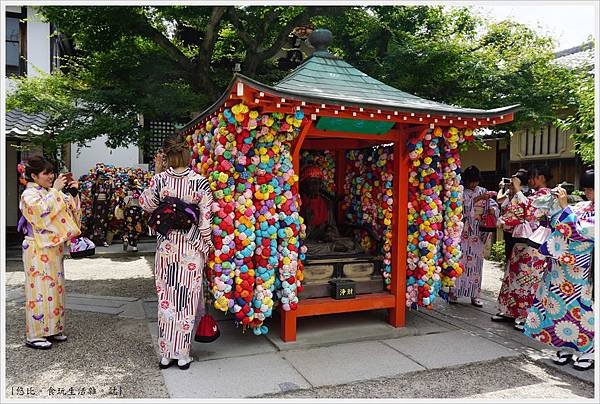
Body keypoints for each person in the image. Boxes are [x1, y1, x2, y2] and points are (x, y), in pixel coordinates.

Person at [140, 134, 213, 370]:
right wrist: (206, 246)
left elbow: (146, 204)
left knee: (166, 299)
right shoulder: (200, 182)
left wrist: (158, 173)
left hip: (167, 247)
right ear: (187, 154)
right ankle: (183, 354)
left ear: (167, 155)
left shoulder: (160, 181)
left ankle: (165, 354)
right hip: (190, 248)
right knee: (186, 300)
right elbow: (205, 220)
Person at [523, 169, 595, 370]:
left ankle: (590, 350)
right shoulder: (581, 206)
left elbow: (583, 231)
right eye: (587, 189)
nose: (589, 194)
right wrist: (554, 203)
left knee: (582, 309)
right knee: (557, 306)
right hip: (560, 267)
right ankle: (563, 345)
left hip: (581, 270)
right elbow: (557, 223)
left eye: (592, 190)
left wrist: (564, 208)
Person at [19, 156, 81, 349]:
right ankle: (35, 334)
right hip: (36, 247)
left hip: (53, 247)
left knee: (55, 288)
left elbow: (69, 208)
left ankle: (53, 329)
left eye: (51, 172)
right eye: (45, 173)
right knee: (39, 289)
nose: (50, 176)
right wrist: (55, 190)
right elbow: (39, 214)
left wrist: (73, 192)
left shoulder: (50, 192)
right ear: (33, 176)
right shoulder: (29, 195)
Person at [494, 166, 552, 330]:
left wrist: (518, 190)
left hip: (534, 242)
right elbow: (514, 209)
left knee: (527, 278)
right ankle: (509, 310)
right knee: (512, 274)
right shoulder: (532, 195)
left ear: (541, 178)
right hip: (520, 238)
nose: (531, 181)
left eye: (533, 177)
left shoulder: (548, 194)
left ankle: (525, 315)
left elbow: (530, 213)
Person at [449, 165, 498, 307]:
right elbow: (459, 210)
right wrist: (476, 200)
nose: (473, 184)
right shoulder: (460, 192)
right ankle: (454, 292)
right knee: (459, 261)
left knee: (476, 265)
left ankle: (474, 295)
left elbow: (493, 205)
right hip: (463, 233)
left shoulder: (483, 191)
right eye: (471, 181)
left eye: (475, 181)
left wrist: (491, 210)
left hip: (477, 232)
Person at [122, 177, 144, 252]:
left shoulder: (126, 190)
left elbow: (122, 201)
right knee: (136, 228)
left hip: (128, 211)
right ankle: (134, 246)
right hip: (136, 211)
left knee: (128, 226)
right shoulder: (139, 190)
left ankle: (126, 238)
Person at [91, 171, 111, 247]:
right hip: (97, 207)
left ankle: (103, 240)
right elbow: (92, 193)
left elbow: (109, 194)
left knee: (104, 224)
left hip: (104, 207)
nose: (101, 180)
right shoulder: (94, 185)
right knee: (96, 223)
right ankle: (95, 241)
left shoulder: (106, 185)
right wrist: (96, 184)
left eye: (102, 178)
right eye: (100, 178)